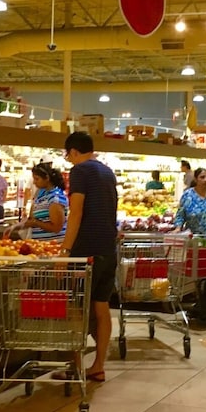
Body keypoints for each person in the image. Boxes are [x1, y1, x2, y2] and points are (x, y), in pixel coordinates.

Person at [58, 132, 117, 383]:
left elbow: (76, 212)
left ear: (73, 152)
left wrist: (66, 250)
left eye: (67, 155)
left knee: (76, 309)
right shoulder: (107, 172)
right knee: (101, 308)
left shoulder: (79, 171)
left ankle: (74, 365)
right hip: (107, 248)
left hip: (86, 252)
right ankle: (98, 365)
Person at [174, 168, 206, 235]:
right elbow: (180, 215)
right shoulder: (187, 195)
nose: (205, 180)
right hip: (194, 238)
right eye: (202, 177)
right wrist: (178, 228)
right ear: (195, 179)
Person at [24, 163, 68, 241]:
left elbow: (56, 228)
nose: (34, 182)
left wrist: (35, 223)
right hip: (41, 245)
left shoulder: (55, 198)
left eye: (37, 179)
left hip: (53, 245)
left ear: (47, 178)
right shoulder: (42, 195)